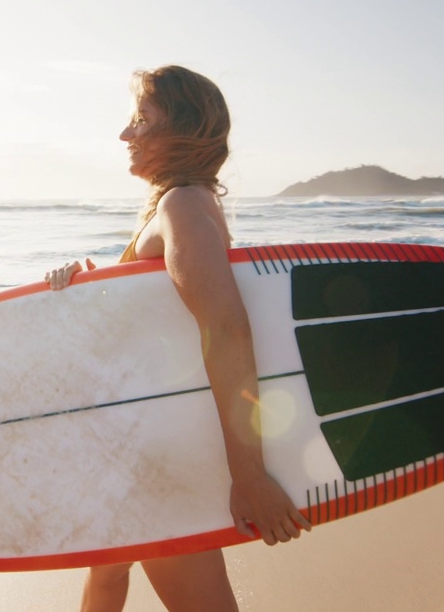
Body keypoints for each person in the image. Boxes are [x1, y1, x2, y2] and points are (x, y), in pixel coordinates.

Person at [44, 65, 311, 612]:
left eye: (141, 120)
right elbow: (161, 325)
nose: (125, 135)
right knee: (108, 572)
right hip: (135, 444)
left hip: (156, 459)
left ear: (183, 131)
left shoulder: (182, 205)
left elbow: (226, 331)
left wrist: (250, 475)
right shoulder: (179, 204)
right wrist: (94, 285)